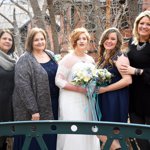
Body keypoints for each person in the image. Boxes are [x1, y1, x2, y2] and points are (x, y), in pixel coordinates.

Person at [13, 27, 59, 150]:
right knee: (35, 142)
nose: (40, 42)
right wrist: (33, 110)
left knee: (51, 140)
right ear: (30, 42)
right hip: (34, 109)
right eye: (36, 40)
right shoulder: (24, 59)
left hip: (53, 103)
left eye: (42, 39)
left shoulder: (50, 55)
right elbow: (23, 86)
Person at [55, 27, 100, 150]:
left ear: (87, 41)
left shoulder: (90, 59)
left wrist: (93, 86)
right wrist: (78, 89)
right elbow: (58, 80)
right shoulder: (68, 59)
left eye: (84, 38)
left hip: (87, 99)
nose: (81, 41)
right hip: (71, 99)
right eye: (78, 38)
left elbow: (94, 78)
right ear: (74, 41)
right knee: (74, 128)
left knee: (88, 128)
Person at [97, 27, 132, 150]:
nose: (109, 41)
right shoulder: (103, 57)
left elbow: (127, 80)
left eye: (113, 39)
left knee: (110, 133)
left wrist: (105, 89)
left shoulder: (120, 56)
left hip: (115, 99)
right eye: (107, 38)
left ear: (118, 42)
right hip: (104, 98)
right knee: (104, 132)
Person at [120, 10, 150, 150]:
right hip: (134, 98)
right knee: (139, 137)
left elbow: (135, 69)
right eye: (141, 23)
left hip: (149, 98)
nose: (144, 26)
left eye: (148, 24)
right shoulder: (132, 42)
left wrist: (136, 71)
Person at [0, 29, 17, 150]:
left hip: (10, 106)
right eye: (4, 38)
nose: (7, 41)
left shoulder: (15, 59)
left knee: (5, 139)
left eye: (10, 39)